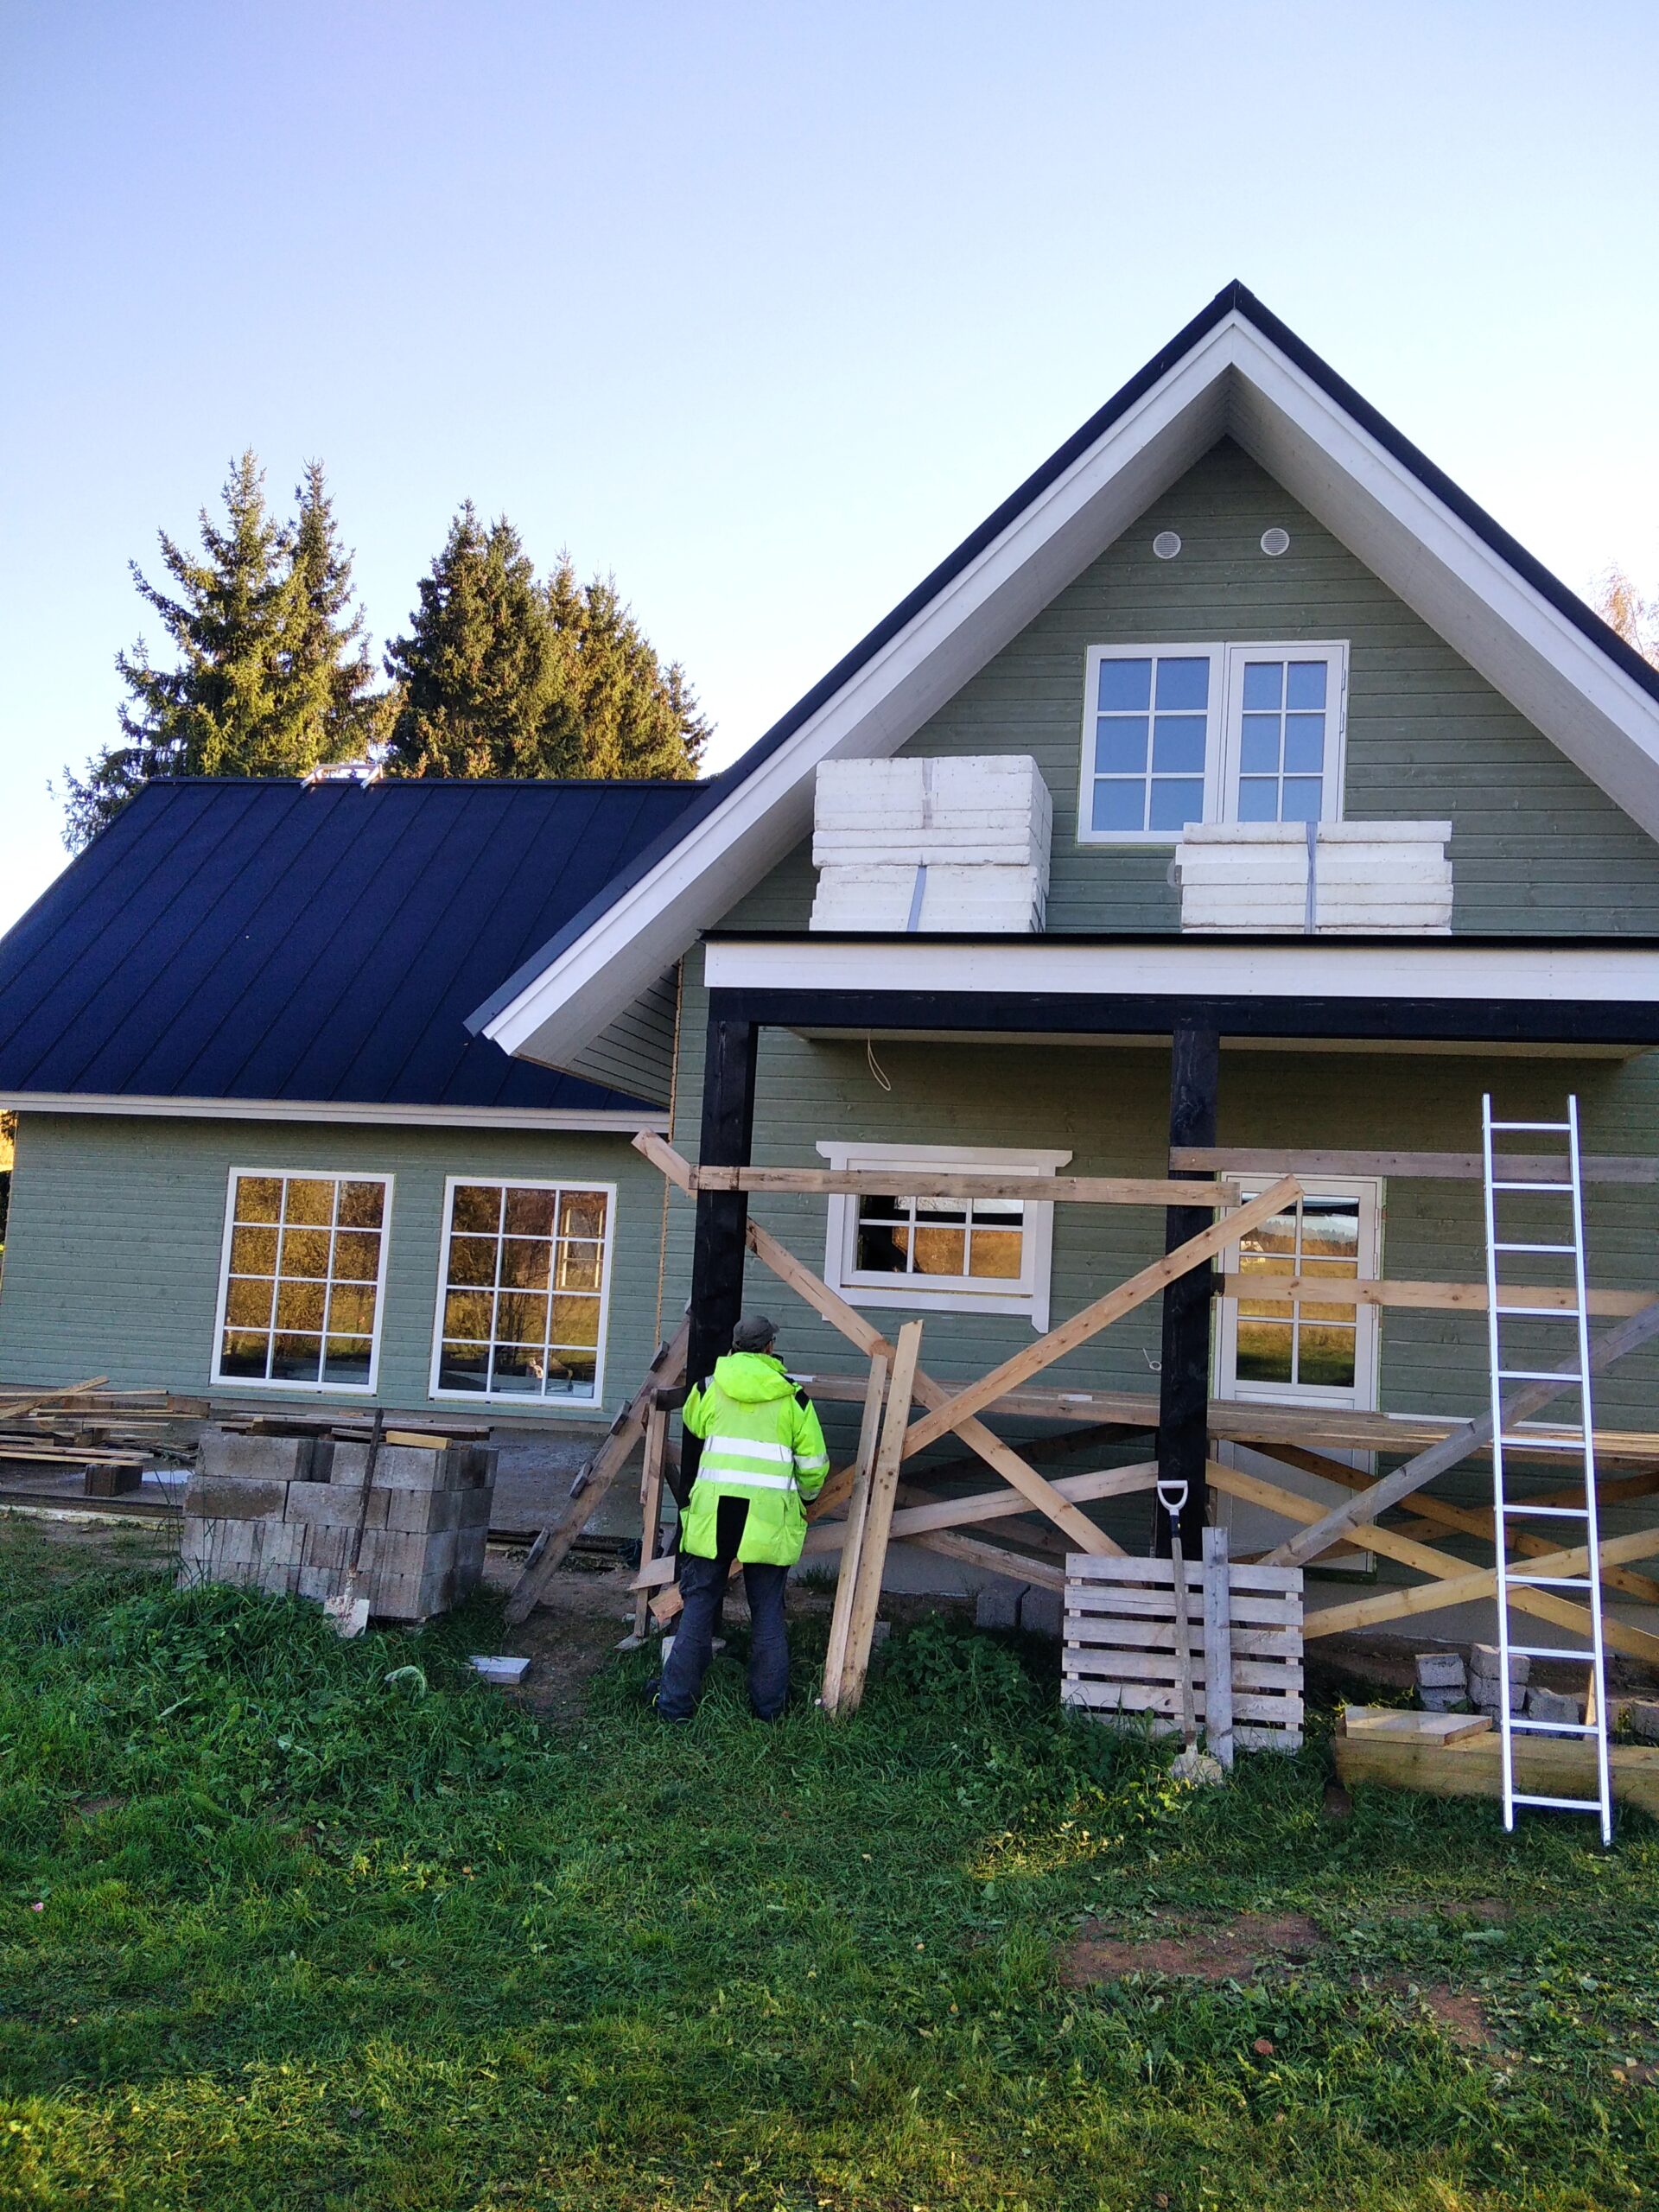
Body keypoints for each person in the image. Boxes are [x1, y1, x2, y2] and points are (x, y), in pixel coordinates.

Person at [656, 1313, 830, 1721]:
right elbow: (814, 1466)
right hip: (766, 1523)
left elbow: (694, 1423)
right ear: (770, 1347)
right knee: (767, 1612)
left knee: (698, 1606)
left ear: (734, 1345)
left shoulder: (709, 1387)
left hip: (714, 1518)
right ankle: (769, 1710)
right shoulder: (794, 1398)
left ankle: (674, 1706)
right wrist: (804, 1500)